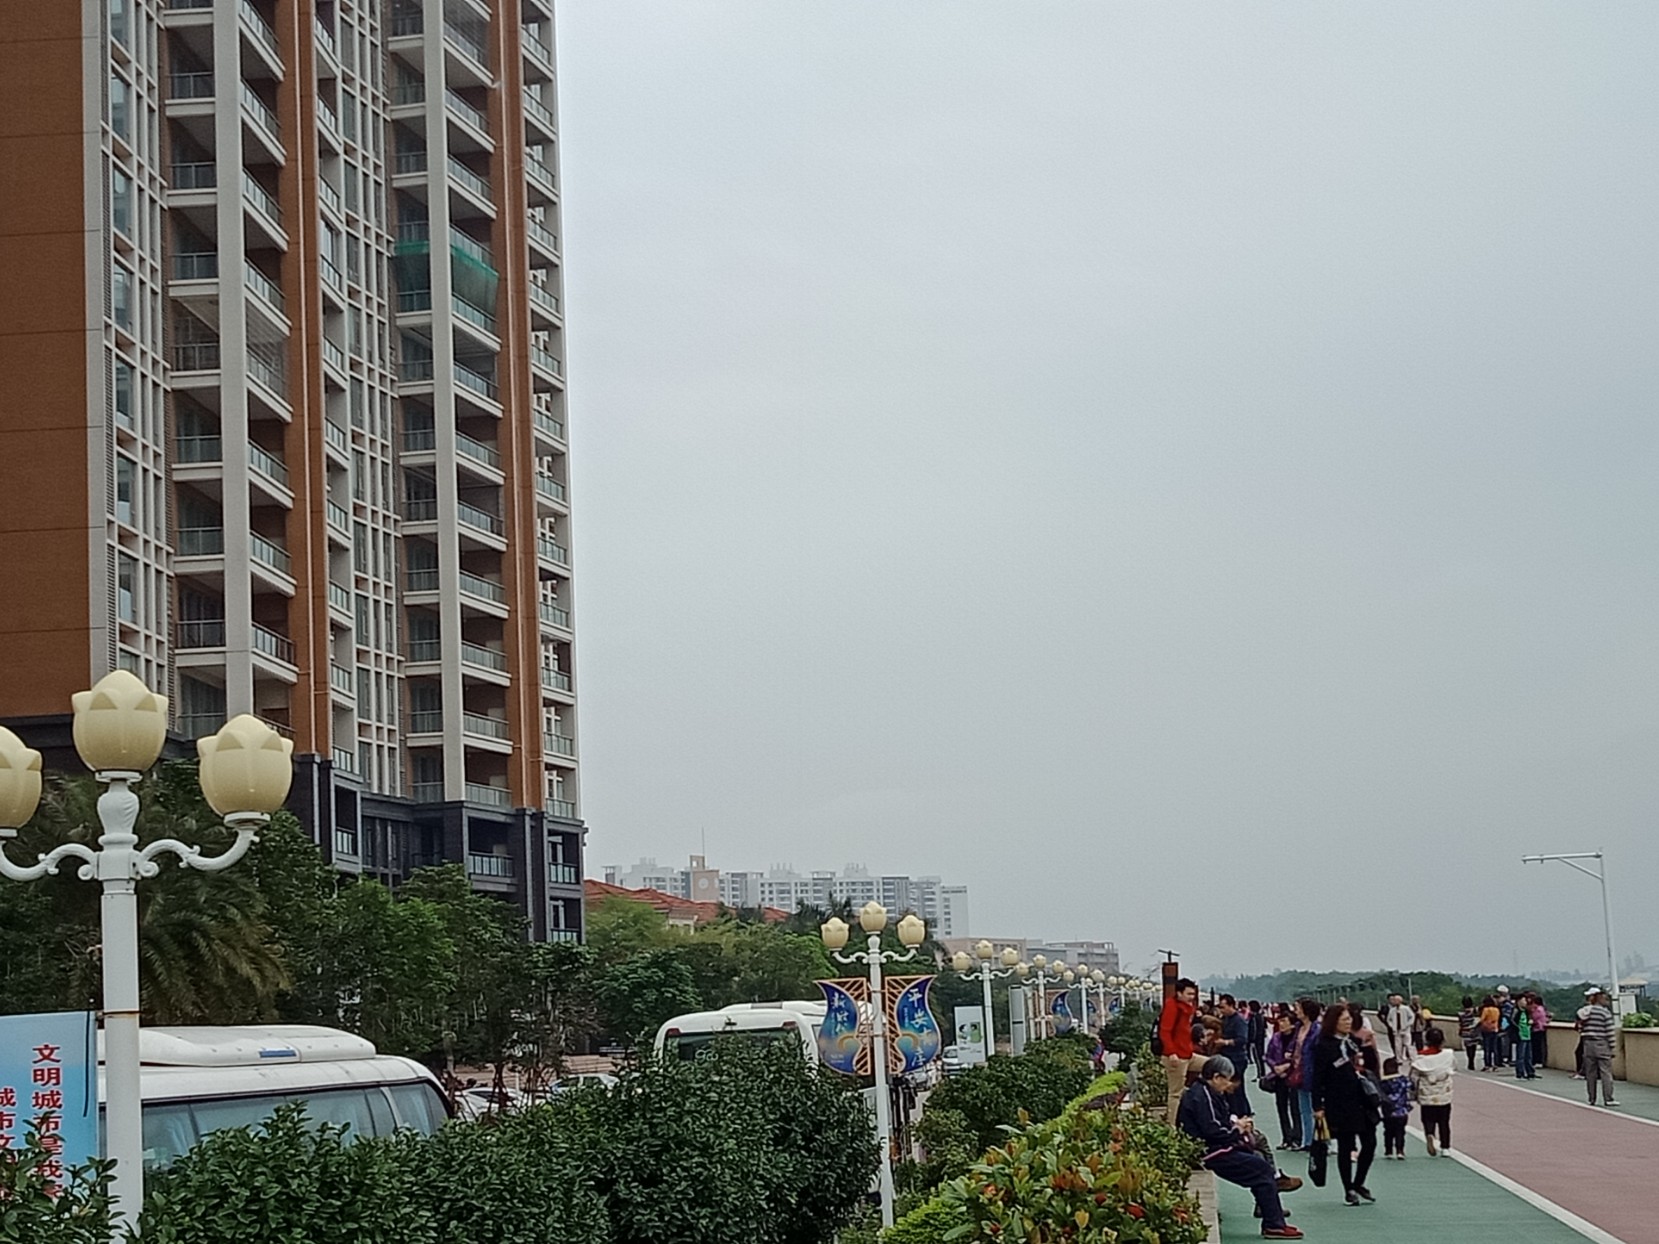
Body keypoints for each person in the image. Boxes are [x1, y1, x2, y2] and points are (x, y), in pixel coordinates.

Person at [1176, 1055, 1304, 1240]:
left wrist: (1236, 1127)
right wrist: (1237, 1129)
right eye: (1227, 1079)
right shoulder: (1203, 1096)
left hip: (1212, 1147)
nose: (1228, 1084)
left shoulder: (1204, 1092)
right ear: (1216, 1077)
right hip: (1209, 1152)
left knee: (1258, 1158)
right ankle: (1273, 1223)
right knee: (1261, 1167)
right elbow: (1213, 1130)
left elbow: (1216, 1126)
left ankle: (1270, 1213)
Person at [1311, 1003, 1378, 1206]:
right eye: (1344, 1019)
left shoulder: (1354, 1042)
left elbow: (1370, 1065)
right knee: (1345, 1145)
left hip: (1362, 1099)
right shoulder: (1324, 1046)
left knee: (1370, 1142)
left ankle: (1359, 1183)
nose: (1349, 1022)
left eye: (1350, 1019)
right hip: (1338, 1101)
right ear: (1334, 1022)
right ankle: (1348, 1188)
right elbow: (1317, 1078)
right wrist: (1318, 1106)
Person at [1410, 1025, 1456, 1156]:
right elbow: (1453, 1068)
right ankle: (1445, 1147)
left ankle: (1430, 1134)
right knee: (1444, 1122)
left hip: (1427, 1094)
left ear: (1427, 1041)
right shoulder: (1448, 1055)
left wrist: (1413, 1092)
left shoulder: (1421, 1059)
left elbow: (1413, 1077)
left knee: (1428, 1119)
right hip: (1443, 1094)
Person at [1159, 978, 1198, 1118]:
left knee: (1213, 1065)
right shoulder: (1172, 1006)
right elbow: (1165, 1031)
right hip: (1176, 1056)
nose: (1191, 997)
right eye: (1189, 994)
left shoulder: (1186, 1008)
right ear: (1179, 993)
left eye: (1193, 994)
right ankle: (1172, 1125)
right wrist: (1171, 1052)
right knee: (1175, 1093)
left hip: (1187, 1054)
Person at [1264, 1011, 1302, 1150]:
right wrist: (1275, 1067)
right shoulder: (1276, 1037)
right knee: (1281, 1107)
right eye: (1280, 1021)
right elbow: (1268, 1056)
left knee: (1295, 1108)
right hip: (1279, 1076)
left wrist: (1287, 1066)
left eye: (1284, 1021)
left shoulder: (1297, 1039)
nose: (1281, 1024)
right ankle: (1286, 1137)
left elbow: (1300, 1058)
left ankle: (1297, 1137)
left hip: (1293, 1076)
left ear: (1292, 1024)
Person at [1292, 998, 1322, 1155]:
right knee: (1304, 1108)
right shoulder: (1298, 1027)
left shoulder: (1317, 1030)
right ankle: (1308, 1140)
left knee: (1317, 1108)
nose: (1295, 1011)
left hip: (1314, 1072)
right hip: (1300, 1072)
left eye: (1298, 1008)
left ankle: (1323, 1140)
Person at [1580, 988, 1619, 1107]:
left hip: (1588, 1044)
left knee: (1590, 1073)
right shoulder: (1605, 1013)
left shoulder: (1585, 1012)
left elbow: (1580, 1027)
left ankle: (1591, 1098)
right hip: (1602, 1044)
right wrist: (1612, 1047)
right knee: (1605, 1072)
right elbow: (1609, 1031)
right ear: (1600, 999)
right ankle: (1608, 1098)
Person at [1219, 995, 1253, 1116]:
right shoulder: (1225, 1019)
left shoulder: (1239, 1021)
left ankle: (1242, 1113)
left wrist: (1225, 1042)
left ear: (1231, 1005)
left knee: (1236, 1089)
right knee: (1231, 1089)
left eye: (1223, 1007)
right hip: (1227, 1057)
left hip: (1237, 1058)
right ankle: (1238, 1112)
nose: (1221, 1010)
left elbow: (1242, 1039)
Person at [1378, 1056, 1411, 1159]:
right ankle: (1400, 1150)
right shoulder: (1403, 1080)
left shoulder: (1382, 1083)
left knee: (1388, 1131)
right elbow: (1411, 1086)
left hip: (1387, 1111)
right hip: (1401, 1111)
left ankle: (1388, 1150)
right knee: (1400, 1131)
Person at [1380, 993, 1414, 1067]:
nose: (1394, 1001)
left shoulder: (1406, 1008)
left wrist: (1407, 1025)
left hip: (1405, 1030)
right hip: (1396, 1031)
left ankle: (1412, 1058)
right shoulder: (1392, 1010)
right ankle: (1399, 1059)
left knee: (1408, 1045)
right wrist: (1392, 1026)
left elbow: (1412, 1017)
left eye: (1396, 1000)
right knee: (1398, 1046)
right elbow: (1389, 1019)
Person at [1513, 993, 1536, 1080]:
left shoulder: (1526, 1012)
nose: (1525, 1002)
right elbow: (1512, 1021)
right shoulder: (1516, 1011)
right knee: (1521, 1056)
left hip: (1527, 1034)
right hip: (1521, 1035)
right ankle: (1520, 1072)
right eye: (1523, 1000)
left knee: (1528, 1056)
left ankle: (1530, 1072)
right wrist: (1517, 1029)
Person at [1456, 996, 1479, 1071]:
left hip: (1465, 1031)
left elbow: (1461, 1023)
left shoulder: (1460, 1014)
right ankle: (1472, 1060)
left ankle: (1470, 1061)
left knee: (1468, 1047)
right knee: (1473, 1046)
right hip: (1473, 1031)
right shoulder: (1474, 1011)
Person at [1478, 995, 1501, 1070]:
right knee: (1494, 1047)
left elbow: (1482, 1019)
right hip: (1495, 1029)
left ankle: (1487, 1064)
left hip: (1486, 1030)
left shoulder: (1486, 1010)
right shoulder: (1497, 1010)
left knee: (1487, 1047)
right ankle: (1495, 1064)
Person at [1530, 994, 1550, 1072]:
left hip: (1538, 1029)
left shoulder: (1538, 1010)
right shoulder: (1542, 1009)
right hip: (1541, 1028)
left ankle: (1538, 1061)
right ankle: (1538, 1061)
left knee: (1537, 1046)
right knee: (1538, 1046)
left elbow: (1534, 1018)